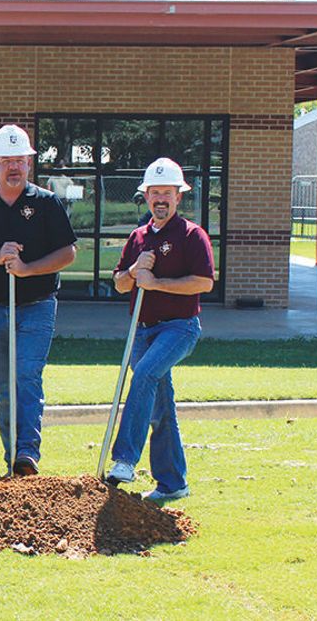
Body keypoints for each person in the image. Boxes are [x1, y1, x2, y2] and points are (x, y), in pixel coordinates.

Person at [0, 124, 77, 476]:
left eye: (20, 161)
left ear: (29, 164)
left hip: (38, 305)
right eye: (6, 160)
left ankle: (27, 453)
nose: (13, 167)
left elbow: (68, 252)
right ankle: (12, 455)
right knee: (3, 387)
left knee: (27, 376)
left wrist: (27, 269)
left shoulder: (47, 203)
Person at [106, 157, 214, 505]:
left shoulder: (192, 235)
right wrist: (135, 271)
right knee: (161, 407)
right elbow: (121, 284)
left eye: (168, 193)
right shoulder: (137, 237)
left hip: (179, 329)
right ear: (147, 196)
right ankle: (173, 483)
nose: (161, 199)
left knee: (145, 375)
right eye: (155, 193)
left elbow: (203, 282)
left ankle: (124, 460)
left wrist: (156, 283)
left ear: (179, 196)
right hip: (143, 331)